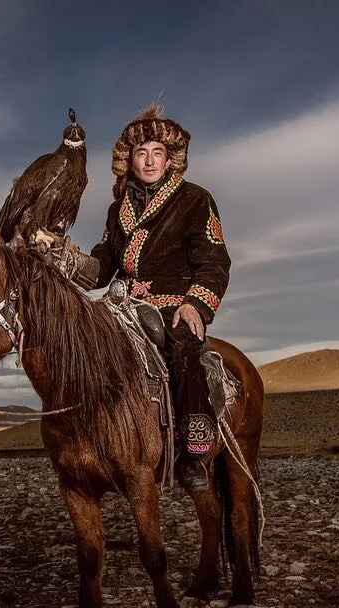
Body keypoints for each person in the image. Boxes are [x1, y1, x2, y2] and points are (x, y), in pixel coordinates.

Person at [57, 103, 231, 489]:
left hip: (175, 306)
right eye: (141, 153)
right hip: (122, 305)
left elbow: (214, 261)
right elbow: (104, 264)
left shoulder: (195, 200)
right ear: (130, 160)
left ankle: (194, 451)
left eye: (157, 152)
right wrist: (67, 259)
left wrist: (195, 304)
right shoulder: (117, 209)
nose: (149, 161)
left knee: (184, 349)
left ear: (170, 159)